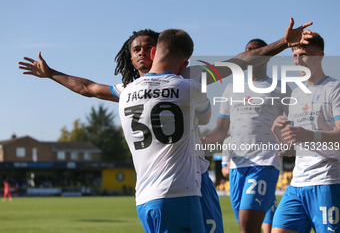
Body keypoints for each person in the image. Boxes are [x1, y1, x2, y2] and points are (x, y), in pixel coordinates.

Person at [19, 18, 313, 233]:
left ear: (159, 50)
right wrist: (53, 73)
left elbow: (241, 60)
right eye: (136, 49)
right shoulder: (174, 83)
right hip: (178, 190)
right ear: (131, 57)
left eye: (149, 46)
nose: (142, 52)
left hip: (180, 186)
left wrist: (52, 74)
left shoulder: (138, 89)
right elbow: (87, 87)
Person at [119, 28, 210, 232]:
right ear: (184, 64)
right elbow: (205, 118)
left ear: (153, 54)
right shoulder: (190, 86)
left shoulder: (126, 91)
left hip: (143, 199)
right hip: (178, 193)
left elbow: (87, 88)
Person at [201, 38, 291, 233]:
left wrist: (289, 143)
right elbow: (221, 130)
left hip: (264, 163)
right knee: (247, 227)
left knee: (247, 226)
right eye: (248, 51)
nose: (252, 55)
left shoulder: (281, 88)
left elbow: (295, 123)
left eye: (257, 51)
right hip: (237, 166)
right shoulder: (231, 89)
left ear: (267, 56)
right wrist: (202, 141)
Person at [271, 33, 340, 233]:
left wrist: (310, 135)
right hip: (297, 183)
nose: (298, 60)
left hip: (328, 181)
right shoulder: (297, 94)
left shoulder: (334, 89)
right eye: (295, 56)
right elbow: (289, 150)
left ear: (320, 55)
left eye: (304, 55)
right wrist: (278, 134)